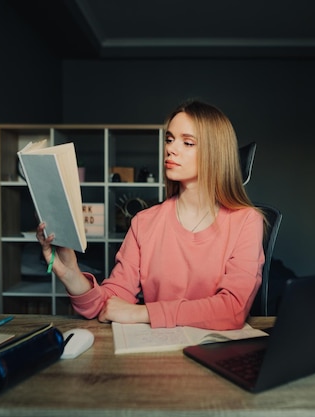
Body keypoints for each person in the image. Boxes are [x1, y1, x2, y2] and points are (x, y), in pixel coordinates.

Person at [37, 100, 265, 330]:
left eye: (187, 142)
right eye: (169, 139)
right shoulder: (144, 222)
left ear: (216, 153)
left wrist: (143, 313)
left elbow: (233, 309)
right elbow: (110, 304)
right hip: (155, 354)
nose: (171, 149)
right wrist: (70, 273)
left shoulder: (247, 221)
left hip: (214, 356)